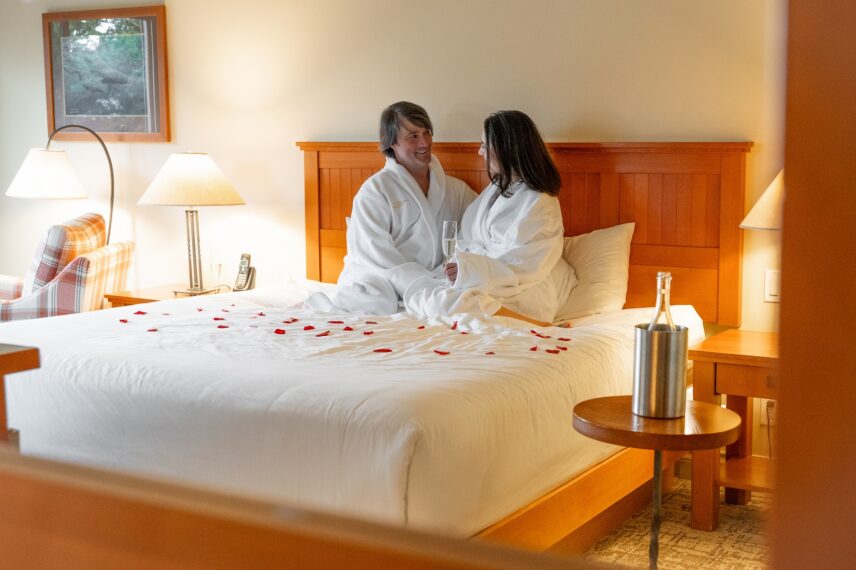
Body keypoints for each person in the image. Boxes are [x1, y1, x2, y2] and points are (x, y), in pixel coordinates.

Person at [402, 110, 569, 325]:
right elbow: (468, 238)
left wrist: (470, 269)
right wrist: (461, 267)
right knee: (423, 293)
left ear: (506, 149)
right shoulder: (497, 188)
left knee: (449, 303)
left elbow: (525, 263)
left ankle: (539, 324)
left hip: (520, 287)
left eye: (484, 146)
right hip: (485, 279)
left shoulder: (539, 201)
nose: (480, 152)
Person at [307, 101, 476, 314]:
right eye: (413, 136)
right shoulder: (375, 191)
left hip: (434, 281)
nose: (424, 143)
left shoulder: (455, 190)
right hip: (378, 278)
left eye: (427, 133)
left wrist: (455, 270)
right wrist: (424, 285)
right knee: (376, 301)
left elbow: (478, 230)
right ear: (392, 143)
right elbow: (376, 253)